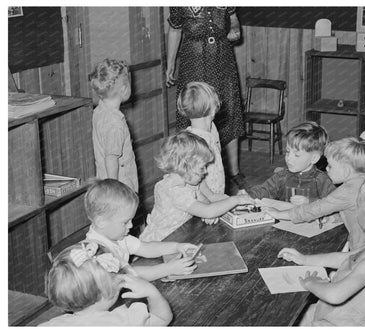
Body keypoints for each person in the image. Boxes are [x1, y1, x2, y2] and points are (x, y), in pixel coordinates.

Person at [278, 172, 365, 326]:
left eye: (357, 206)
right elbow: (347, 258)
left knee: (287, 316)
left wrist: (310, 283)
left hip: (345, 323)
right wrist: (304, 259)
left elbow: (335, 295)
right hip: (339, 314)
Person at [166, 7, 246, 189]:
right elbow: (174, 29)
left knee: (229, 109)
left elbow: (233, 19)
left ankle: (234, 171)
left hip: (222, 57)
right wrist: (170, 64)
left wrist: (234, 28)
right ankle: (190, 169)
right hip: (192, 60)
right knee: (193, 110)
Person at [139, 131, 255, 242]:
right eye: (201, 167)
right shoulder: (173, 189)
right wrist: (235, 200)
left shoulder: (189, 183)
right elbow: (208, 211)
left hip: (179, 236)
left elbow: (204, 202)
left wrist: (210, 211)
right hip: (161, 241)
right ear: (185, 166)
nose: (205, 172)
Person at [265, 137, 365, 251]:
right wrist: (334, 218)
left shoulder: (347, 191)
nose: (327, 169)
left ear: (346, 169)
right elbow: (354, 210)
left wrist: (279, 214)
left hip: (364, 249)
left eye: (330, 166)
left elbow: (313, 210)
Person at [84, 178, 198, 281]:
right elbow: (131, 274)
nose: (131, 226)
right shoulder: (96, 252)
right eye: (125, 222)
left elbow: (147, 248)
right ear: (101, 222)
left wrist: (177, 247)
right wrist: (169, 269)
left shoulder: (116, 236)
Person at [40, 241, 172, 326]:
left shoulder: (50, 326)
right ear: (106, 292)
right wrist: (151, 292)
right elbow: (162, 318)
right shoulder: (128, 321)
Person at [244, 121, 335, 205]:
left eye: (297, 155)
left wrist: (310, 201)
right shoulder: (282, 176)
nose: (289, 158)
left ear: (314, 158)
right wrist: (247, 195)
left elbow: (334, 203)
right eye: (287, 151)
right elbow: (264, 190)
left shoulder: (322, 180)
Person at [90, 59, 138, 192]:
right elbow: (111, 158)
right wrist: (114, 190)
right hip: (120, 187)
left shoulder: (99, 111)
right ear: (123, 89)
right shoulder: (115, 124)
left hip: (103, 181)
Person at [177, 81, 225, 194]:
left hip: (211, 195)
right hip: (205, 196)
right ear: (213, 110)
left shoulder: (187, 137)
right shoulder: (197, 141)